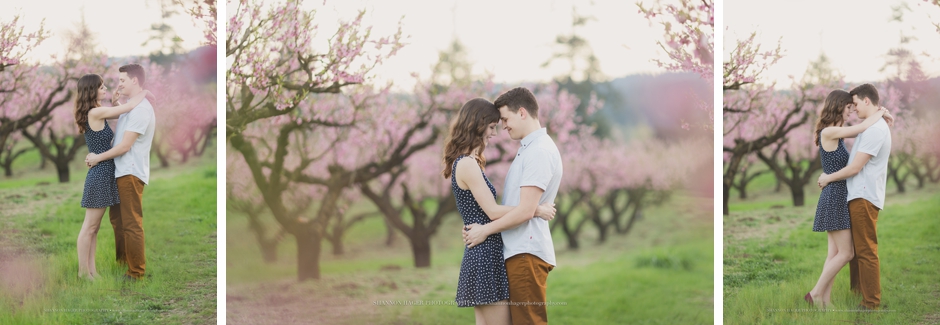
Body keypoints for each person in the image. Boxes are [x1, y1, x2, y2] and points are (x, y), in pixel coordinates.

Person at [444, 97, 556, 325]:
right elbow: (493, 211)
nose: (494, 133)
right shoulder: (467, 164)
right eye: (492, 126)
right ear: (478, 124)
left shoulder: (471, 162)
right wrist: (535, 210)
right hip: (485, 253)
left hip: (485, 251)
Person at [804, 89, 889, 307]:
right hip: (835, 195)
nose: (851, 111)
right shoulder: (829, 131)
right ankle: (814, 294)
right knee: (846, 253)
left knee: (834, 253)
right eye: (849, 107)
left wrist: (883, 114)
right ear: (838, 106)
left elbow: (860, 129)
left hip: (839, 193)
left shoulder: (836, 130)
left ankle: (825, 300)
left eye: (853, 107)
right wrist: (881, 112)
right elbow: (861, 128)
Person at [74, 73, 154, 281]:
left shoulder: (98, 111)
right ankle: (83, 272)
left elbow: (122, 114)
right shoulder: (96, 111)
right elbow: (127, 109)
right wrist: (143, 91)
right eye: (101, 87)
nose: (105, 89)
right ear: (91, 90)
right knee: (89, 227)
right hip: (100, 174)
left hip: (105, 172)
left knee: (95, 228)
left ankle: (92, 271)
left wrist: (116, 102)